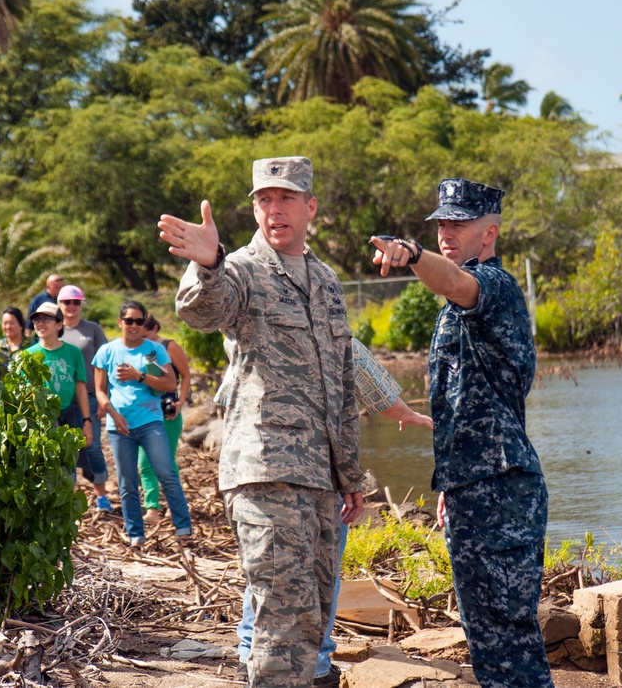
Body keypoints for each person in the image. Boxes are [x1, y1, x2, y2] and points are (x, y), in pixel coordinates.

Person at [159, 156, 364, 687]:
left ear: (310, 206)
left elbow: (341, 384)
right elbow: (203, 311)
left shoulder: (326, 281)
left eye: (287, 198)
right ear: (254, 208)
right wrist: (207, 265)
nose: (275, 210)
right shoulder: (240, 270)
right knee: (281, 617)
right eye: (264, 200)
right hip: (265, 472)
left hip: (320, 478)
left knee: (314, 620)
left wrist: (351, 475)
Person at [369, 178, 552, 688]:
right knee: (486, 638)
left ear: (489, 232)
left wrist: (411, 254)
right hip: (474, 485)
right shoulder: (456, 306)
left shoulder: (495, 287)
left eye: (459, 223)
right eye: (441, 223)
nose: (446, 230)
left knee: (510, 641)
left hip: (501, 486)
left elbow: (454, 282)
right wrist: (450, 481)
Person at [236, 339, 434, 686]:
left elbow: (229, 401)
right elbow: (378, 393)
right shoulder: (340, 341)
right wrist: (409, 415)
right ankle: (319, 664)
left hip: (261, 472)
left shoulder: (255, 334)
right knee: (323, 570)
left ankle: (250, 653)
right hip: (320, 476)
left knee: (263, 565)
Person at [91, 301, 194, 550]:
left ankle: (184, 529)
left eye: (139, 321)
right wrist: (113, 415)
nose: (134, 326)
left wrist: (139, 375)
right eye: (129, 321)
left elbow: (170, 383)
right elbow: (100, 392)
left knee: (166, 473)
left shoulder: (153, 350)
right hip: (119, 428)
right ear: (120, 322)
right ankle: (136, 535)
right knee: (127, 482)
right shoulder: (106, 351)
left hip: (150, 422)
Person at [58, 284, 112, 512]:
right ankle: (70, 496)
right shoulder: (55, 330)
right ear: (59, 304)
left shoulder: (92, 329)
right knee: (65, 449)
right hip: (62, 400)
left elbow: (106, 363)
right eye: (67, 302)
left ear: (81, 304)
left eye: (76, 302)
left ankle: (102, 495)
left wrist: (104, 396)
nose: (71, 306)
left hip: (89, 396)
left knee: (92, 447)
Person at [136, 313, 191, 525]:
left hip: (168, 413)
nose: (142, 339)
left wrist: (181, 401)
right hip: (145, 412)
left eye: (145, 334)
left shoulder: (169, 346)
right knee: (144, 462)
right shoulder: (137, 349)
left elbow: (185, 375)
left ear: (155, 329)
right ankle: (152, 508)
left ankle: (175, 505)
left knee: (167, 461)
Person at [25, 303, 92, 446]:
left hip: (69, 415)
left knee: (69, 465)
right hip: (40, 418)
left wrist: (87, 421)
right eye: (37, 320)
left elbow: (80, 389)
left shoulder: (73, 352)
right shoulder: (27, 355)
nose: (40, 323)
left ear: (59, 325)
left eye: (46, 319)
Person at [0, 306, 34, 379]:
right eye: (5, 323)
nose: (8, 327)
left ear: (21, 325)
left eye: (12, 323)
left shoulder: (31, 346)